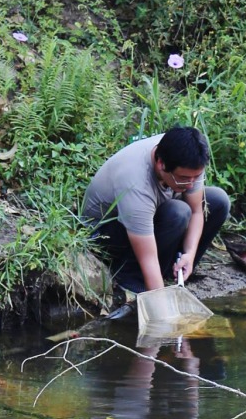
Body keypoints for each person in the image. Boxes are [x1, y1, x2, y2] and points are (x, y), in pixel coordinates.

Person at [82, 125, 231, 293]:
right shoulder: (135, 182)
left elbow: (197, 211)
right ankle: (130, 277)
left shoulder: (189, 159)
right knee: (178, 212)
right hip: (105, 233)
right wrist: (161, 304)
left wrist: (189, 254)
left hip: (149, 220)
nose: (190, 184)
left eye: (195, 178)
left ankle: (174, 271)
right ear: (161, 164)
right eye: (184, 178)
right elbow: (148, 258)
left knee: (218, 200)